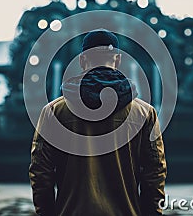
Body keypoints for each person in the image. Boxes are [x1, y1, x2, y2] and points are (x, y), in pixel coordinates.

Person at [29, 29, 167, 216]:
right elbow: (154, 174)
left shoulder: (53, 111)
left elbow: (41, 173)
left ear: (82, 61)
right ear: (117, 60)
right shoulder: (144, 113)